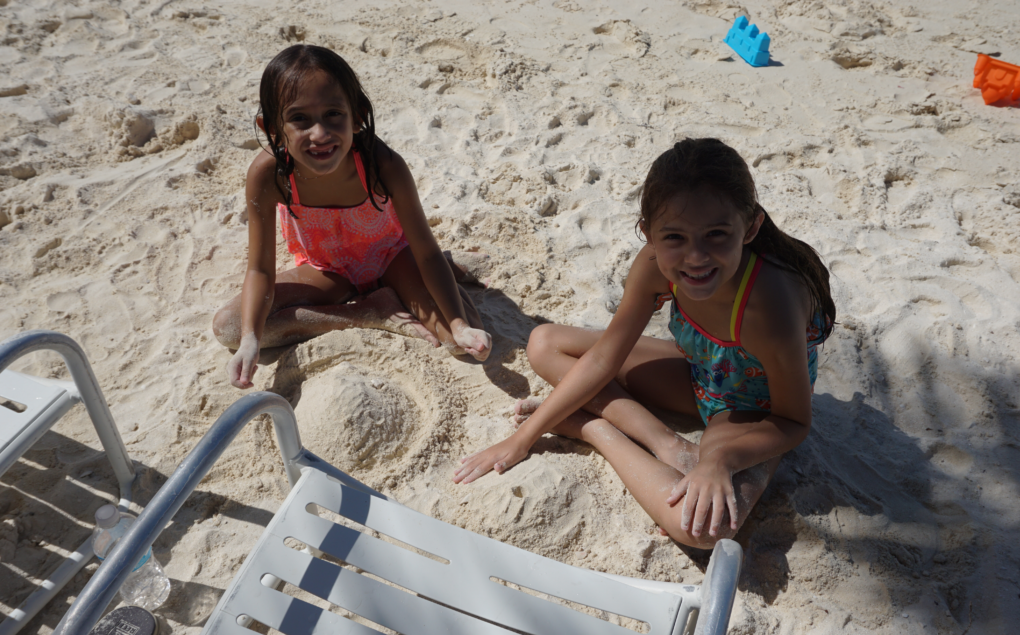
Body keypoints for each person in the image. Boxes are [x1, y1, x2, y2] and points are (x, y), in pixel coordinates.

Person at [453, 138, 835, 549]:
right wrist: (522, 438)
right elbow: (603, 358)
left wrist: (721, 460)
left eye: (717, 234)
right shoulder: (654, 266)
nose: (696, 256)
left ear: (751, 227)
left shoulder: (769, 305)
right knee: (544, 343)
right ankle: (664, 443)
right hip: (701, 371)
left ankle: (597, 432)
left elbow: (795, 421)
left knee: (703, 531)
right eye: (674, 237)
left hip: (750, 411)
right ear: (647, 233)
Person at [213, 45, 491, 388]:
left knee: (461, 343)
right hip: (326, 270)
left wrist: (461, 326)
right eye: (299, 118)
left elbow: (425, 250)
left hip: (394, 255)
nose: (320, 134)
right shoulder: (269, 175)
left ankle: (440, 274)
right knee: (230, 328)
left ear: (357, 115)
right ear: (272, 127)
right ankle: (370, 311)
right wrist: (250, 341)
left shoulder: (382, 164)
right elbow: (260, 269)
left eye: (333, 114)